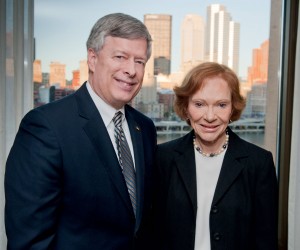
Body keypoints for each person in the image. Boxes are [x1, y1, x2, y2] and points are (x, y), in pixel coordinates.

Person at [5, 13, 156, 250]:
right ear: (93, 59)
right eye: (120, 57)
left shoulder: (144, 128)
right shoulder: (46, 127)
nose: (131, 70)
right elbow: (29, 241)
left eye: (139, 61)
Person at [153, 62, 278, 250]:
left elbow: (265, 240)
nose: (210, 116)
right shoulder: (163, 157)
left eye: (221, 105)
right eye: (199, 104)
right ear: (186, 108)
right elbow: (153, 233)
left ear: (232, 109)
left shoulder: (258, 163)